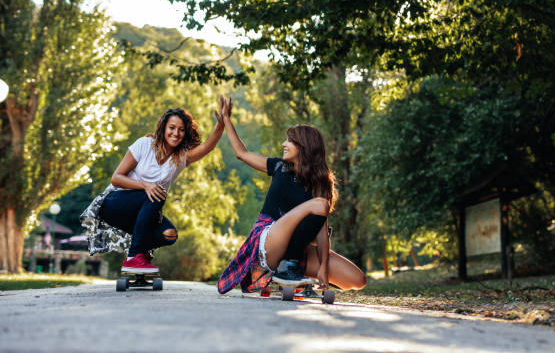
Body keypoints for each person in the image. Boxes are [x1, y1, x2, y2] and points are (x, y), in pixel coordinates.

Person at [217, 96, 366, 294]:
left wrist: (323, 268)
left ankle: (291, 270)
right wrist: (226, 119)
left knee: (357, 279)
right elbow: (241, 153)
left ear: (304, 147)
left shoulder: (321, 184)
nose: (283, 144)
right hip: (269, 239)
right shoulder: (279, 167)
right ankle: (285, 268)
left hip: (298, 250)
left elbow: (321, 232)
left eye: (289, 141)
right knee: (319, 204)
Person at [80, 100, 226, 273]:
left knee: (169, 234)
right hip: (114, 204)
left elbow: (207, 147)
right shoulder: (144, 144)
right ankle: (134, 257)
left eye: (181, 130)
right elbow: (116, 178)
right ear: (164, 128)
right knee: (157, 192)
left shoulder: (180, 158)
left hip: (143, 211)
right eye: (172, 127)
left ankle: (140, 254)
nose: (176, 133)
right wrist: (145, 185)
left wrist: (221, 124)